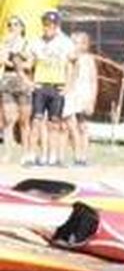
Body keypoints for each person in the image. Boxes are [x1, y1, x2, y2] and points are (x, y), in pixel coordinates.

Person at [25, 10, 75, 167]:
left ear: (57, 26)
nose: (48, 28)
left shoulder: (66, 43)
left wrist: (68, 85)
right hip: (41, 85)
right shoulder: (36, 42)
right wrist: (27, 81)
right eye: (46, 25)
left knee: (54, 123)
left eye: (52, 25)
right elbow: (28, 63)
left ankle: (53, 157)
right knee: (36, 121)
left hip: (57, 86)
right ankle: (32, 156)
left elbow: (72, 64)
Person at [63, 31, 98, 167]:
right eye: (73, 43)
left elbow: (93, 81)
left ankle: (83, 156)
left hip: (84, 93)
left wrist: (92, 100)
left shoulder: (89, 59)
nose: (76, 46)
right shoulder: (68, 57)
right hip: (71, 93)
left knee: (83, 126)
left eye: (78, 43)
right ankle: (76, 155)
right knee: (71, 125)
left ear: (85, 45)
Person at [1, 15, 31, 163]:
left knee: (24, 121)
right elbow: (1, 59)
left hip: (22, 82)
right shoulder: (4, 42)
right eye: (10, 25)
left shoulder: (27, 44)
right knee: (8, 120)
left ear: (22, 27)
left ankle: (26, 153)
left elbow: (29, 64)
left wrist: (15, 60)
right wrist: (14, 59)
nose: (12, 27)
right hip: (7, 80)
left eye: (16, 24)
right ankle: (7, 153)